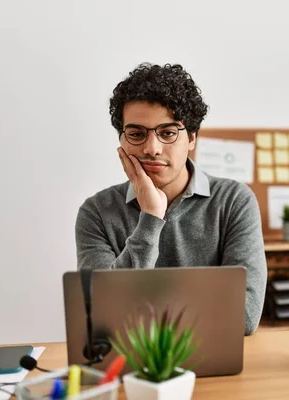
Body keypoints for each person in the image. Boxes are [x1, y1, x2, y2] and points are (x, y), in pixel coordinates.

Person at [75, 62, 267, 335]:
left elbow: (244, 316)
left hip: (215, 367)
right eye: (137, 134)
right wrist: (151, 218)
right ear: (123, 140)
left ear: (191, 138)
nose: (151, 149)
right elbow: (106, 316)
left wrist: (142, 307)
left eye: (167, 133)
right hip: (131, 369)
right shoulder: (96, 212)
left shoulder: (234, 202)